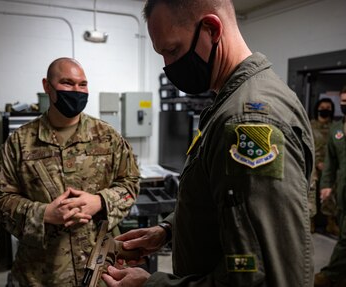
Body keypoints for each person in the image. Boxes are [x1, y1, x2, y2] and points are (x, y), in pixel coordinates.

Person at [102, 0, 315, 286]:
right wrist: (169, 230)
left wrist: (151, 285)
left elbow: (264, 277)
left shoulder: (248, 122)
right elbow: (227, 205)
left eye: (173, 50)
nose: (168, 66)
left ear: (211, 29)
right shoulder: (231, 104)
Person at [0, 57, 140, 286]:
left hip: (100, 269)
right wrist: (44, 213)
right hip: (41, 274)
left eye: (82, 84)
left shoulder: (108, 137)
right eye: (67, 83)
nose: (77, 91)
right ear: (47, 86)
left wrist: (100, 201)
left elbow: (131, 183)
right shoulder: (20, 142)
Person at [314, 86, 346, 287]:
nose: (345, 105)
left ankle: (331, 274)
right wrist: (326, 185)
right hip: (343, 192)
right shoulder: (337, 130)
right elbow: (331, 162)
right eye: (343, 101)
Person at [310, 98, 338, 235]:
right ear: (317, 108)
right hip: (313, 167)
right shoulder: (310, 125)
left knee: (332, 195)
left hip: (331, 167)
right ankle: (310, 222)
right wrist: (316, 163)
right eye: (322, 107)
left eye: (328, 107)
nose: (325, 109)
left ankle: (331, 223)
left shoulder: (336, 127)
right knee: (311, 194)